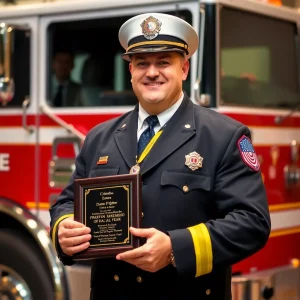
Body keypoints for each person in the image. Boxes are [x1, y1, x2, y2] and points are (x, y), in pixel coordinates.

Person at [49, 12, 271, 300]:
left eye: (164, 62)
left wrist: (175, 249)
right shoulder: (100, 137)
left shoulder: (223, 136)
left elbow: (252, 222)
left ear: (185, 69)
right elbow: (67, 201)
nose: (151, 72)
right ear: (131, 72)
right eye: (141, 63)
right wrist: (63, 228)